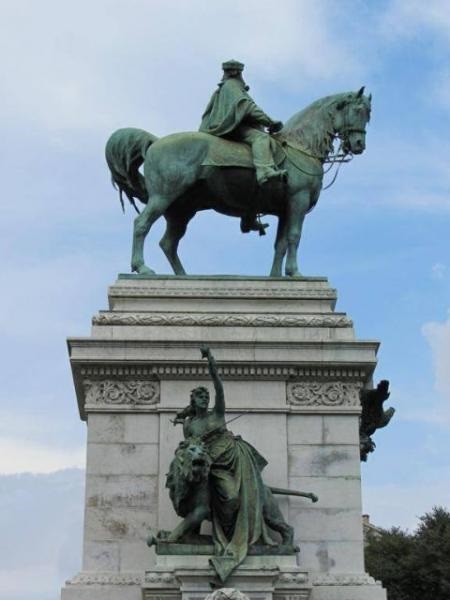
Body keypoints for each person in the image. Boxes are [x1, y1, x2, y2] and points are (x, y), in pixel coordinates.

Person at [173, 346, 293, 582]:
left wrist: (211, 362)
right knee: (200, 493)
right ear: (193, 400)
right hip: (210, 464)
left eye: (206, 397)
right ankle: (192, 531)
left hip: (232, 458)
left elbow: (219, 387)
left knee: (232, 498)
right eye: (200, 397)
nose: (205, 399)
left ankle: (235, 537)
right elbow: (190, 448)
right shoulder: (189, 425)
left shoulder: (216, 414)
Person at [199, 60, 287, 233]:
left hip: (226, 127)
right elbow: (248, 108)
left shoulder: (224, 88)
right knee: (261, 139)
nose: (242, 76)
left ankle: (250, 217)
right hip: (231, 129)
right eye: (240, 72)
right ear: (237, 73)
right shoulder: (233, 86)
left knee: (247, 175)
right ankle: (265, 171)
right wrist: (270, 122)